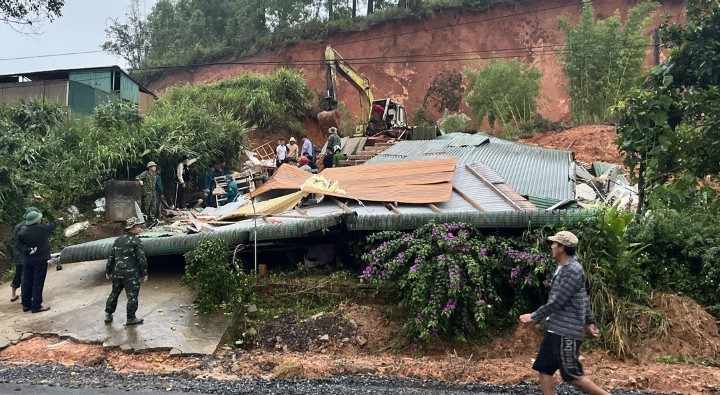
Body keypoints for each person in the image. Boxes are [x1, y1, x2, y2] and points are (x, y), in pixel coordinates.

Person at [519, 231, 609, 395]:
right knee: (544, 369)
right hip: (555, 329)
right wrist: (589, 321)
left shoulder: (572, 270)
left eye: (554, 243)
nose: (552, 246)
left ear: (562, 247)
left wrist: (533, 316)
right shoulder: (563, 267)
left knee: (572, 375)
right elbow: (582, 296)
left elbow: (557, 301)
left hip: (566, 332)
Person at [15, 210, 63, 313]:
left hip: (28, 260)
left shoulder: (23, 232)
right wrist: (58, 220)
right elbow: (52, 225)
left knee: (27, 281)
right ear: (37, 220)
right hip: (40, 260)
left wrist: (27, 250)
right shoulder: (42, 229)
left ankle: (26, 304)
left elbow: (17, 245)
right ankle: (36, 305)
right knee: (38, 282)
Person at [105, 217, 148, 326]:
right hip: (131, 274)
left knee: (114, 293)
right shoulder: (136, 241)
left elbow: (112, 257)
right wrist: (145, 273)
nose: (140, 228)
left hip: (117, 272)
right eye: (138, 226)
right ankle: (131, 318)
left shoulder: (117, 240)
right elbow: (142, 259)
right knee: (132, 296)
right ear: (131, 228)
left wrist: (108, 270)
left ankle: (108, 314)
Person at [9, 207, 41, 303]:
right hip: (25, 253)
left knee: (18, 273)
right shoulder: (29, 226)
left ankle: (13, 294)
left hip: (17, 252)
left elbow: (13, 241)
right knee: (26, 276)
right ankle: (26, 298)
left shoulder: (18, 226)